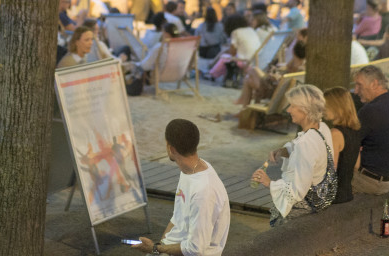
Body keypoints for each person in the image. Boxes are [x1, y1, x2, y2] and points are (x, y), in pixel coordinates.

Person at [133, 118, 229, 255]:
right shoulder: (189, 170)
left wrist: (156, 248)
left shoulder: (203, 191)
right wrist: (159, 247)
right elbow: (177, 218)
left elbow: (196, 249)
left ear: (171, 149)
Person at [252, 84, 336, 225]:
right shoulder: (322, 127)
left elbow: (297, 192)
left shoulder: (305, 144)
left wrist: (269, 183)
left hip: (305, 206)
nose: (288, 110)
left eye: (292, 106)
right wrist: (283, 151)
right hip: (320, 197)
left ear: (305, 109)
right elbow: (309, 153)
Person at [352, 65, 389, 194]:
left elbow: (349, 145)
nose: (356, 91)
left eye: (359, 85)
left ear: (374, 84)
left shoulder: (370, 111)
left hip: (371, 182)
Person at [323, 87, 362, 204]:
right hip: (347, 193)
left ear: (337, 107)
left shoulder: (335, 134)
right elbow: (357, 165)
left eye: (326, 105)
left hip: (333, 196)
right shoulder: (355, 130)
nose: (323, 109)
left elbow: (330, 169)